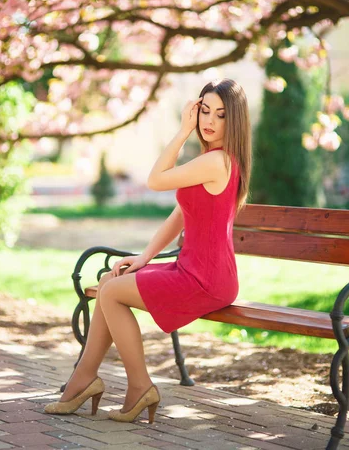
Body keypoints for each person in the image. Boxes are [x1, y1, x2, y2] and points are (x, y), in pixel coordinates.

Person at [44, 78, 252, 424]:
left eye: (220, 114)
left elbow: (155, 180)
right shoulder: (210, 160)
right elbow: (179, 217)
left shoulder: (217, 163)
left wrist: (182, 131)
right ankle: (85, 379)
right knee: (113, 280)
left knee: (110, 294)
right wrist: (143, 259)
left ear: (235, 121)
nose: (209, 121)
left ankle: (137, 386)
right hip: (192, 269)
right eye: (204, 111)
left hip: (206, 278)